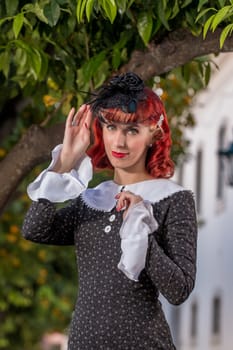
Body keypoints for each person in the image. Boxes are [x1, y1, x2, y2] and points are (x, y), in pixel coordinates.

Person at [22, 72, 197, 350]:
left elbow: (179, 290)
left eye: (132, 130)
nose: (119, 142)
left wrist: (140, 227)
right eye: (111, 127)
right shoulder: (91, 200)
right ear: (100, 130)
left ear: (155, 133)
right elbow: (35, 228)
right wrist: (65, 163)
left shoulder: (173, 199)